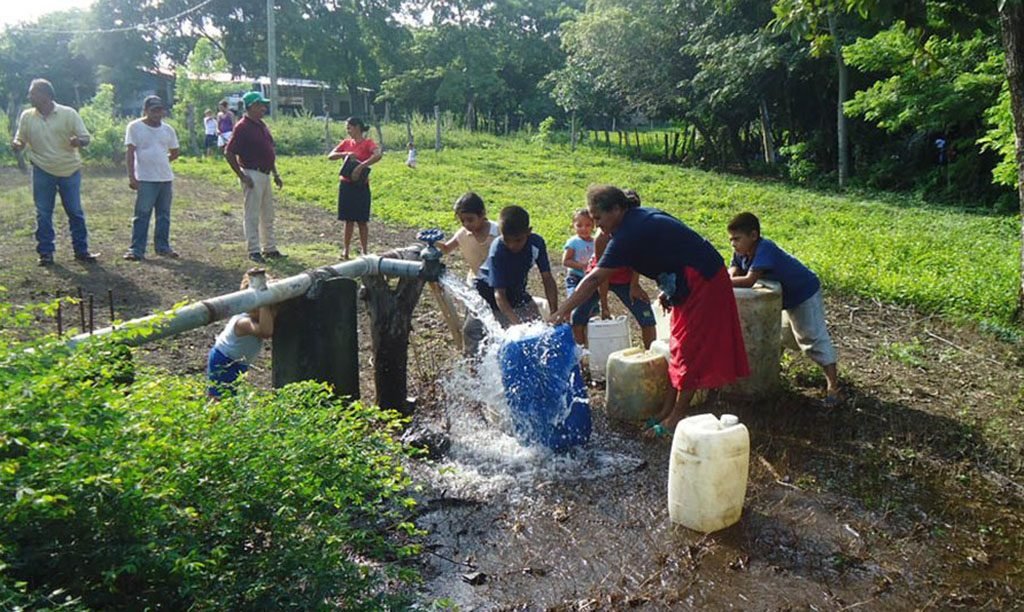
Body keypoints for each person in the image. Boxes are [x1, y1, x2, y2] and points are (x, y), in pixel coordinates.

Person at [551, 185, 749, 437]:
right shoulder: (634, 221)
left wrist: (561, 312)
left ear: (616, 209)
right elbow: (672, 250)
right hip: (684, 281)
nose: (598, 225)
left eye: (599, 218)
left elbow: (593, 279)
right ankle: (667, 409)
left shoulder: (629, 233)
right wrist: (669, 289)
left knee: (689, 349)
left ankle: (675, 417)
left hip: (703, 280)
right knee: (678, 345)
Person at [727, 211, 840, 406]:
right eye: (731, 240)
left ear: (753, 236)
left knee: (812, 338)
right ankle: (768, 377)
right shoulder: (742, 252)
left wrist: (720, 283)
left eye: (737, 239)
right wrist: (729, 276)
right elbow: (733, 270)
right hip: (784, 298)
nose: (733, 244)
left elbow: (749, 280)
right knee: (780, 336)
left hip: (803, 292)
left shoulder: (765, 248)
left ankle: (834, 388)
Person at [11, 78, 100, 266]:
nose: (30, 96)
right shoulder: (27, 116)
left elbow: (85, 138)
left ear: (45, 95)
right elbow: (21, 139)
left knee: (75, 211)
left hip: (69, 169)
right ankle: (46, 252)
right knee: (43, 212)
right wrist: (17, 145)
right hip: (42, 169)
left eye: (33, 93)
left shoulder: (68, 113)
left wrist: (79, 141)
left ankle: (81, 251)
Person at [466, 205, 560, 354]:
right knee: (479, 338)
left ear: (528, 232)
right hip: (487, 296)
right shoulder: (498, 250)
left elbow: (547, 278)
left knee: (538, 333)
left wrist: (555, 312)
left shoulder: (536, 244)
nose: (512, 245)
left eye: (517, 240)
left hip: (516, 291)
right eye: (507, 240)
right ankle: (476, 373)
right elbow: (499, 295)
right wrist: (518, 327)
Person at [225, 91, 285, 264]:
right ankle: (253, 249)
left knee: (268, 213)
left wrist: (275, 173)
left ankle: (270, 248)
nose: (263, 108)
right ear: (250, 106)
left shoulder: (261, 125)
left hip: (265, 173)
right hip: (252, 172)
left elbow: (269, 150)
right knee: (252, 213)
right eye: (260, 105)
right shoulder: (242, 126)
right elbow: (229, 152)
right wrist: (241, 175)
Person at [575, 227, 658, 349]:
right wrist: (604, 306)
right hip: (599, 277)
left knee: (646, 315)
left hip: (625, 279)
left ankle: (650, 356)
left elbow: (637, 262)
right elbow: (602, 274)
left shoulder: (635, 231)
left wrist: (634, 285)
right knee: (577, 315)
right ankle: (580, 358)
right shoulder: (602, 237)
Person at [123, 96, 181, 261]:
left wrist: (162, 160)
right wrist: (132, 176)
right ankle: (136, 249)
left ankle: (163, 247)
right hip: (145, 178)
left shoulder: (168, 129)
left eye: (160, 110)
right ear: (146, 111)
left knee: (164, 215)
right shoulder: (134, 127)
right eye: (153, 110)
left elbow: (175, 152)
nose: (157, 114)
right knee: (142, 214)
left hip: (165, 178)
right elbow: (130, 153)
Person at [206, 269, 275, 398]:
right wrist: (265, 302)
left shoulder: (254, 316)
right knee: (219, 398)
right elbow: (266, 332)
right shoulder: (242, 322)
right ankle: (212, 417)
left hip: (238, 362)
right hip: (224, 360)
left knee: (230, 395)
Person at [328, 117, 382, 259]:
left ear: (357, 127)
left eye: (349, 128)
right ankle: (345, 250)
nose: (348, 131)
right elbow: (331, 155)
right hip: (346, 185)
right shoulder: (346, 143)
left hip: (361, 186)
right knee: (348, 220)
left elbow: (378, 154)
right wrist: (345, 154)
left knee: (362, 220)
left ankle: (364, 250)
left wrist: (361, 166)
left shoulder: (367, 143)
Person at [438, 191, 500, 284]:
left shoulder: (498, 232)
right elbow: (446, 249)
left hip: (499, 282)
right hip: (475, 282)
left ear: (482, 214)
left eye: (470, 220)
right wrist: (433, 242)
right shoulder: (462, 234)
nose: (466, 224)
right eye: (462, 220)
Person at [562, 208, 596, 345]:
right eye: (579, 225)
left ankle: (590, 339)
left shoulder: (595, 242)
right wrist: (582, 266)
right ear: (573, 226)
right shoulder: (573, 242)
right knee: (576, 303)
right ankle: (575, 335)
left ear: (593, 225)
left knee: (591, 308)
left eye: (588, 225)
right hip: (575, 278)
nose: (584, 229)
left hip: (591, 280)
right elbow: (566, 261)